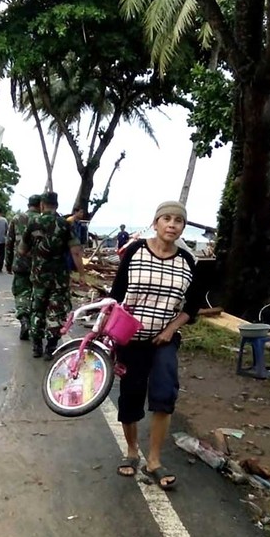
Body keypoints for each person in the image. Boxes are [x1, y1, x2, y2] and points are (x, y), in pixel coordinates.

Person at [109, 200, 203, 491]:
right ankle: (132, 451)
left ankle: (154, 459)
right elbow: (116, 295)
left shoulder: (187, 262)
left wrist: (171, 328)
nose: (172, 224)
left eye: (179, 221)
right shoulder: (135, 252)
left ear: (182, 228)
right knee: (130, 397)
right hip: (131, 340)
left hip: (164, 341)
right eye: (167, 219)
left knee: (164, 394)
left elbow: (193, 306)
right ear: (156, 222)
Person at [21, 191, 86, 359]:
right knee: (55, 312)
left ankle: (36, 346)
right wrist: (82, 275)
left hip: (38, 277)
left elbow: (22, 250)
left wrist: (36, 258)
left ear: (42, 205)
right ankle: (50, 348)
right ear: (56, 205)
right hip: (59, 278)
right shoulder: (65, 225)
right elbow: (76, 252)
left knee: (37, 309)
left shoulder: (33, 223)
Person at [6, 194, 41, 340]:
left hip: (20, 263)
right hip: (39, 265)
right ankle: (35, 324)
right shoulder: (42, 220)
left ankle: (24, 320)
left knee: (21, 293)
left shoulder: (16, 219)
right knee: (37, 293)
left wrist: (8, 263)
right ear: (40, 205)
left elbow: (9, 242)